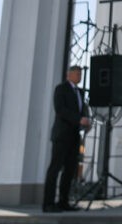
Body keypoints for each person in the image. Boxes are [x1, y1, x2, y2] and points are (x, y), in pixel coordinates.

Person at [43, 64, 91, 212]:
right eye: (76, 73)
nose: (79, 76)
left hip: (74, 137)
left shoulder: (80, 92)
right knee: (55, 168)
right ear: (68, 75)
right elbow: (60, 110)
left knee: (70, 170)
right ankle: (48, 204)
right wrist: (78, 119)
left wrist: (86, 121)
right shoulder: (61, 89)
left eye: (81, 74)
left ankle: (63, 202)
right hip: (61, 135)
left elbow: (82, 109)